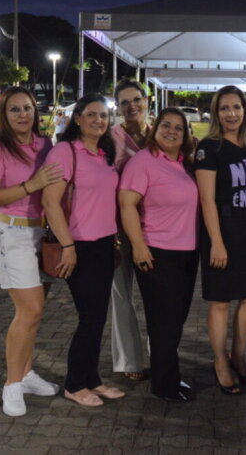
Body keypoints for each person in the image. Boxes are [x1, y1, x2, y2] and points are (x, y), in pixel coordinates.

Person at [0, 86, 63, 417]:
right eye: (14, 109)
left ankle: (26, 373)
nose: (23, 114)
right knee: (29, 310)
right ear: (4, 114)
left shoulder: (45, 145)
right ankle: (12, 385)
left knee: (36, 313)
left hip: (39, 234)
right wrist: (32, 184)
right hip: (10, 232)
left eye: (27, 107)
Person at [42, 93, 125, 408]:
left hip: (104, 244)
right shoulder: (65, 152)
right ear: (77, 118)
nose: (98, 120)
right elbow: (51, 202)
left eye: (103, 115)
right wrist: (67, 246)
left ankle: (92, 379)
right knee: (90, 317)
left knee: (98, 316)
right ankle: (74, 384)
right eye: (91, 114)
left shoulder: (104, 152)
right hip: (78, 244)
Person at [119, 107, 199, 402]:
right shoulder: (143, 162)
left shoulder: (184, 163)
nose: (172, 132)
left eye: (179, 128)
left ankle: (170, 377)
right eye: (166, 125)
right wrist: (139, 246)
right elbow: (127, 205)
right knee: (162, 322)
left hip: (187, 253)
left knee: (175, 321)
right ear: (155, 128)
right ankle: (164, 385)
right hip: (157, 252)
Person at [195, 85, 246, 395]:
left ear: (245, 111)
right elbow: (207, 200)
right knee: (221, 301)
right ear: (216, 112)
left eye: (236, 107)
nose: (231, 113)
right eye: (224, 108)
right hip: (220, 230)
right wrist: (217, 242)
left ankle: (238, 355)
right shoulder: (209, 148)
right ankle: (220, 362)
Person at [109, 79, 150, 382]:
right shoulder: (111, 139)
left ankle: (160, 352)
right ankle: (130, 360)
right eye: (124, 102)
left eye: (136, 99)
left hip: (158, 227)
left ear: (146, 101)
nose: (132, 106)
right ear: (118, 108)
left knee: (158, 297)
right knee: (122, 295)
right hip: (119, 227)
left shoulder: (162, 134)